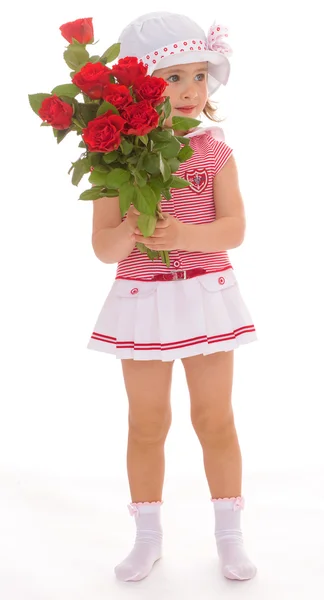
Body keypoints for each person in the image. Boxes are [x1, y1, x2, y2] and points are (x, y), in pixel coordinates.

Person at [88, 11, 258, 582]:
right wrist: (132, 226)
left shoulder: (214, 151)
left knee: (214, 418)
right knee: (146, 422)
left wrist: (185, 236)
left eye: (199, 76)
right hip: (143, 301)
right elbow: (103, 249)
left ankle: (230, 536)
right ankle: (147, 537)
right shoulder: (113, 157)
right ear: (139, 88)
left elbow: (234, 229)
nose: (190, 91)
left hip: (205, 297)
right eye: (173, 77)